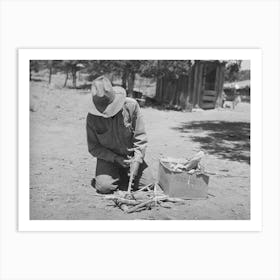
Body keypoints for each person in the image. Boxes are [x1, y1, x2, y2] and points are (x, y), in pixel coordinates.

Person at [86, 75, 153, 194]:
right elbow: (94, 148)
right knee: (104, 187)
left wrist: (137, 160)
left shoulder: (131, 107)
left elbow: (140, 139)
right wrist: (115, 158)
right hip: (108, 159)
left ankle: (124, 173)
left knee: (148, 184)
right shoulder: (92, 118)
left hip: (131, 157)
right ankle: (116, 173)